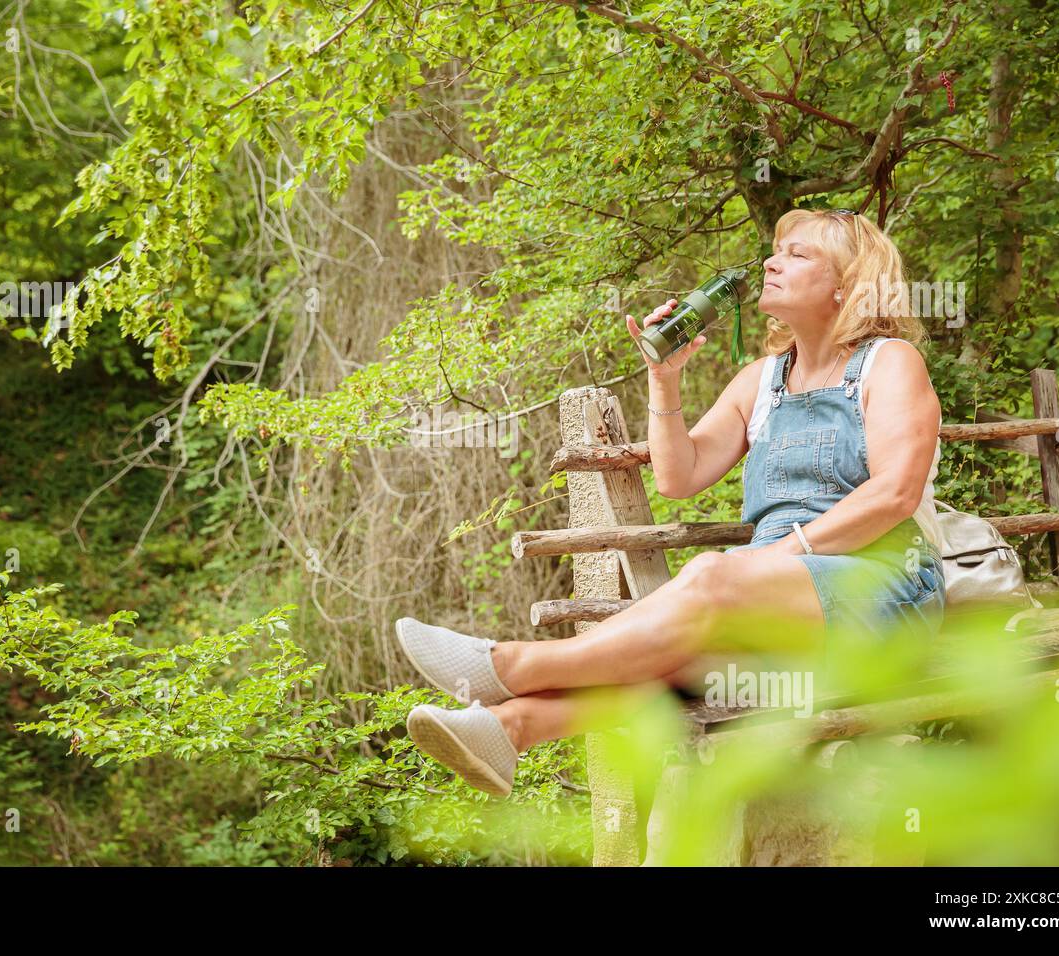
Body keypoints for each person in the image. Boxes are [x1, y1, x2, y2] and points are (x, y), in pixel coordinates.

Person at [396, 208, 947, 797]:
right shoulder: (762, 380)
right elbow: (677, 476)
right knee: (678, 662)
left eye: (798, 254)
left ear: (846, 284)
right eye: (777, 250)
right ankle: (510, 729)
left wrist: (777, 555)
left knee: (709, 576)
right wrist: (664, 378)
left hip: (884, 593)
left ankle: (507, 667)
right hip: (779, 609)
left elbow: (894, 493)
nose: (771, 261)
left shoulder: (888, 362)